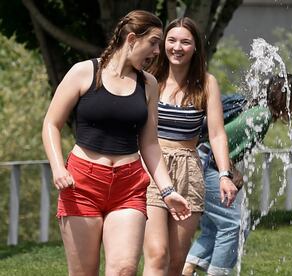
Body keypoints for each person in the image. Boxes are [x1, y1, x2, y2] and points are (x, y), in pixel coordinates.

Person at [42, 10, 191, 276]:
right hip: (82, 184)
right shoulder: (84, 72)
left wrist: (168, 191)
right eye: (154, 42)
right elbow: (51, 123)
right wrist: (57, 168)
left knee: (124, 269)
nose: (158, 51)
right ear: (132, 38)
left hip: (128, 184)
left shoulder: (148, 84)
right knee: (84, 272)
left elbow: (150, 144)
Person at [143, 17, 238, 276]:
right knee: (157, 254)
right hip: (152, 168)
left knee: (176, 261)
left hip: (189, 169)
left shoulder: (207, 84)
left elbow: (217, 135)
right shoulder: (150, 79)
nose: (177, 47)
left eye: (185, 42)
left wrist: (224, 174)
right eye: (171, 40)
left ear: (195, 47)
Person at [183, 74, 292, 275]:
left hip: (203, 163)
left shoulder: (261, 114)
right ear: (286, 97)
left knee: (215, 227)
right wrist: (232, 171)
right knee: (235, 224)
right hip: (207, 164)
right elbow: (217, 144)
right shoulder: (261, 116)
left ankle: (186, 269)